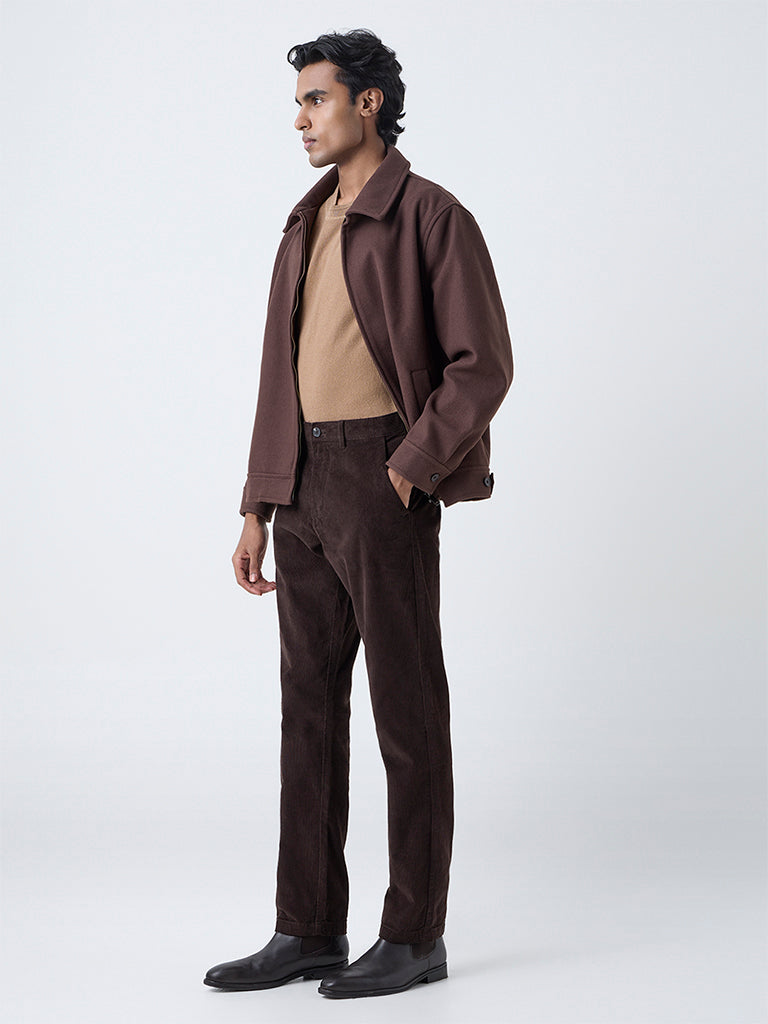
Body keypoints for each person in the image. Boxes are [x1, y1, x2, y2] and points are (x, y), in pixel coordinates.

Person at [204, 28, 513, 1000]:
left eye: (316, 99)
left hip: (381, 474)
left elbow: (482, 365)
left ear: (369, 102)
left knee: (406, 714)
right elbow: (277, 375)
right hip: (300, 483)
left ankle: (414, 935)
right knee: (306, 713)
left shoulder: (430, 215)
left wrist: (408, 471)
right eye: (298, 103)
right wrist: (258, 501)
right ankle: (307, 928)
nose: (300, 120)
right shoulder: (304, 224)